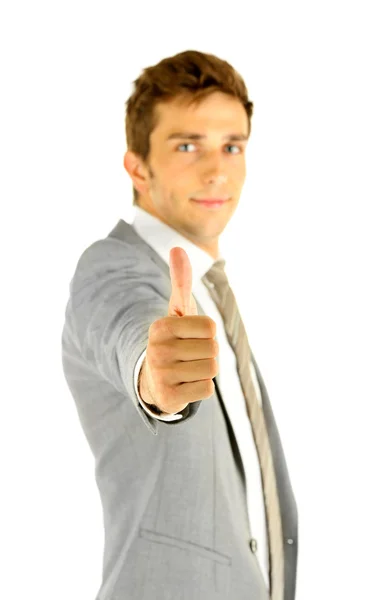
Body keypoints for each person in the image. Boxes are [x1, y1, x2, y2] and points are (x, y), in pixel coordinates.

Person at [61, 49, 298, 600]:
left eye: (232, 146)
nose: (217, 169)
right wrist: (155, 375)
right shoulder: (113, 267)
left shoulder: (212, 291)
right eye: (187, 145)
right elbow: (126, 330)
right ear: (138, 167)